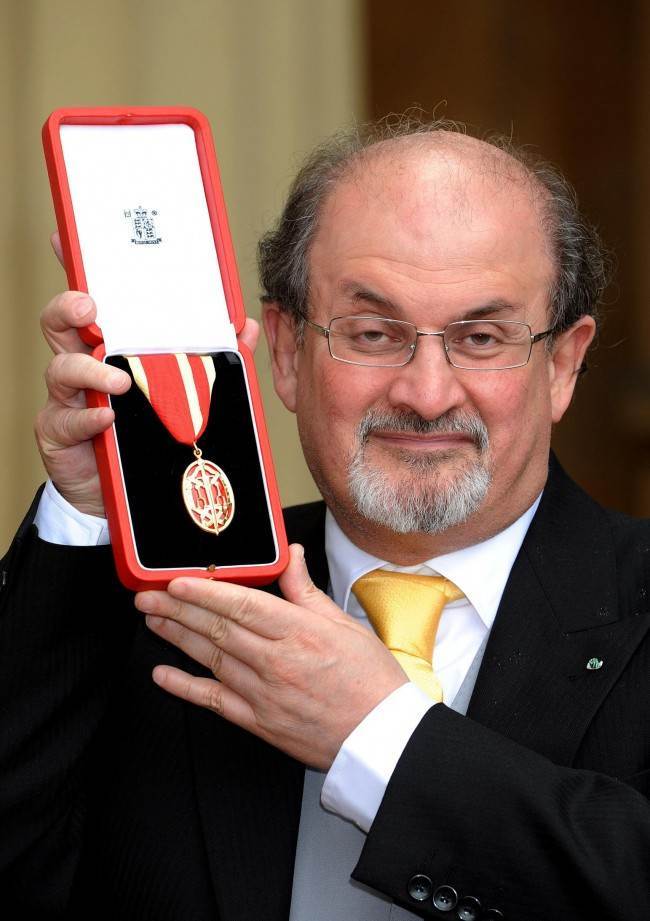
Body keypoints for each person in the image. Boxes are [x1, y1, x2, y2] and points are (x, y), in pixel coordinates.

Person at [1, 118, 649, 921]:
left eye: (481, 338)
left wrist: (379, 735)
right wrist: (85, 514)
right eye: (373, 333)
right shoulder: (170, 599)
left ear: (561, 364)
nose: (426, 392)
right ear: (283, 352)